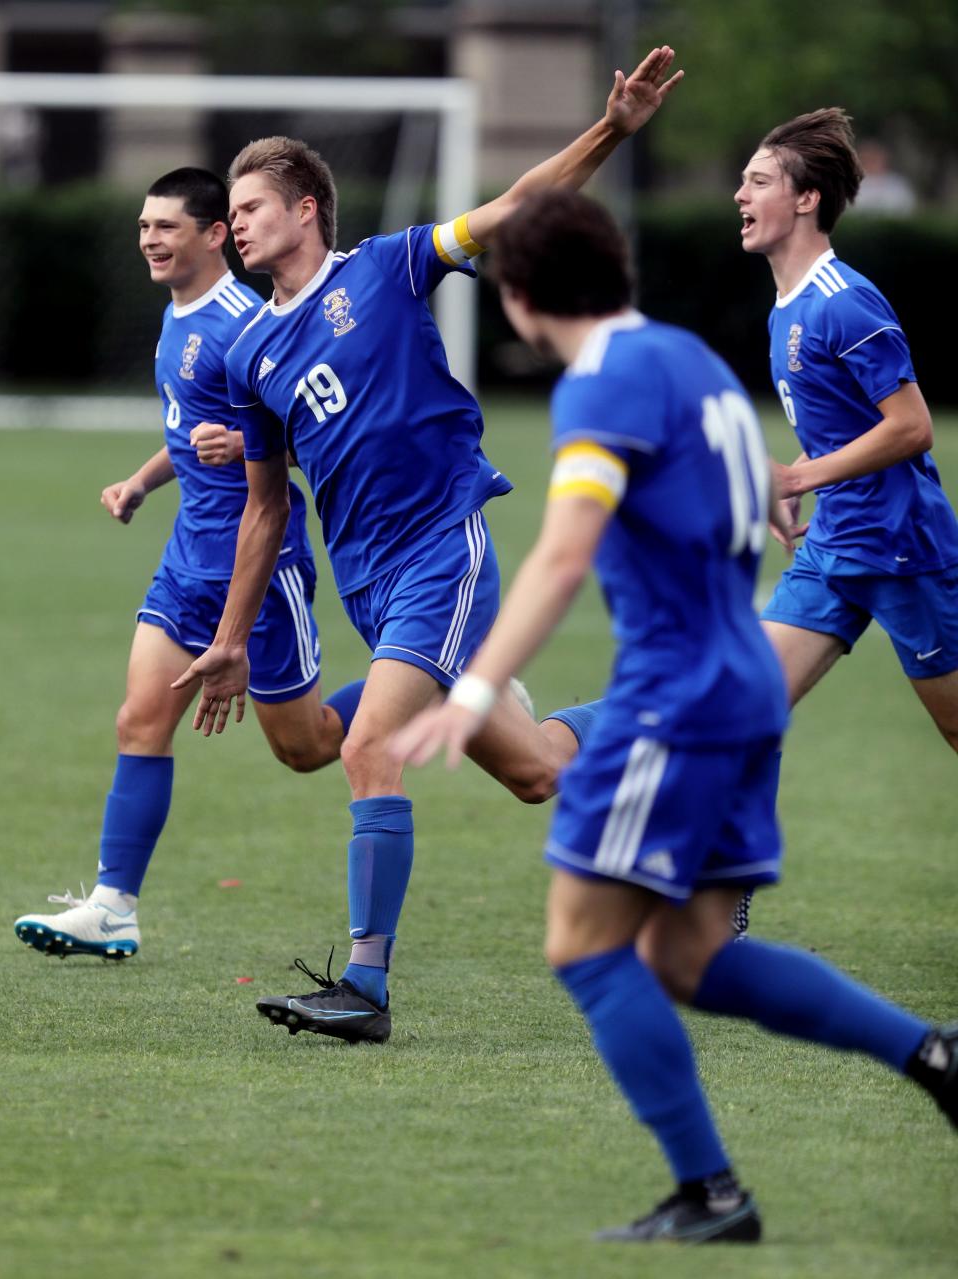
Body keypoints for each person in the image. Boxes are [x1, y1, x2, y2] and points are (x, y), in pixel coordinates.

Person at [391, 189, 958, 1243]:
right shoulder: (691, 359)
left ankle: (712, 1192)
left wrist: (472, 690)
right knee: (690, 959)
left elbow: (563, 551)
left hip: (675, 702)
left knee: (585, 946)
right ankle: (934, 1056)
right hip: (745, 682)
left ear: (517, 298)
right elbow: (758, 501)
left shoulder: (600, 383)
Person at [171, 48, 685, 1043]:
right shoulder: (248, 354)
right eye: (229, 211)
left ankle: (365, 988)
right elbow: (265, 508)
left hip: (441, 554)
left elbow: (519, 202)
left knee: (366, 745)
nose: (233, 223)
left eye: (252, 206)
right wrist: (234, 636)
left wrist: (615, 127)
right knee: (536, 772)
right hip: (370, 585)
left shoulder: (389, 265)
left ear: (308, 209)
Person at [14, 167, 363, 961]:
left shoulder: (253, 327)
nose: (149, 238)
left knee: (304, 747)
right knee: (139, 719)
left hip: (258, 567)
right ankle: (112, 906)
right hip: (187, 560)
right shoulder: (180, 317)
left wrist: (248, 444)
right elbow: (190, 427)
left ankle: (435, 680)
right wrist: (143, 479)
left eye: (166, 226)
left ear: (214, 236)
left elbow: (326, 427)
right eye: (143, 225)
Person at [732, 109, 958, 931]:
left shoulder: (845, 301)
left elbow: (912, 425)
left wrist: (799, 473)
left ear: (805, 199)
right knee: (749, 698)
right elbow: (839, 427)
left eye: (758, 181)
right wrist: (806, 487)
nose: (740, 194)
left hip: (902, 548)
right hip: (837, 546)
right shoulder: (783, 307)